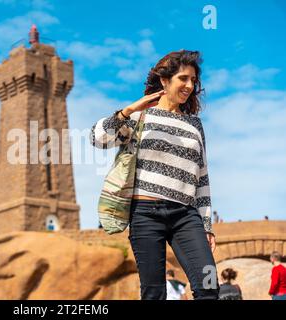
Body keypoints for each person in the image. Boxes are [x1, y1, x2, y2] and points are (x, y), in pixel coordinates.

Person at [90, 50, 219, 300]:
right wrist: (128, 110)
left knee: (208, 286)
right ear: (164, 80)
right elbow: (97, 139)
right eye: (183, 78)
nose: (190, 86)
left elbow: (201, 177)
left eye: (193, 80)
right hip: (145, 213)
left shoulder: (195, 125)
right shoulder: (140, 116)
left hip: (185, 214)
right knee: (154, 292)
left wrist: (206, 225)